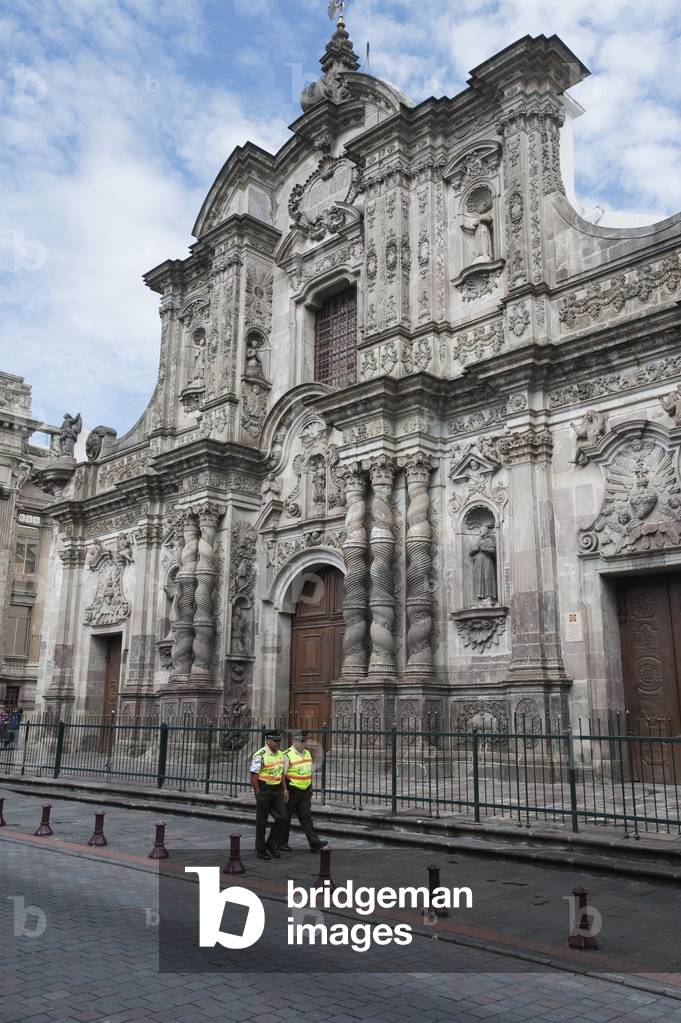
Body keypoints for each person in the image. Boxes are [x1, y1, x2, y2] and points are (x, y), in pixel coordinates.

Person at [279, 732, 328, 853]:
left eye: (305, 742)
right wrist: (285, 790)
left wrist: (310, 787)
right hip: (292, 790)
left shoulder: (307, 753)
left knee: (306, 817)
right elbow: (282, 775)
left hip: (305, 791)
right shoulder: (287, 755)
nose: (304, 745)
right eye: (301, 742)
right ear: (295, 742)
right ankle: (282, 843)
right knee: (286, 817)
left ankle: (314, 842)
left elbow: (308, 771)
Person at [249, 730, 288, 860]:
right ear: (268, 741)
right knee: (262, 822)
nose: (277, 743)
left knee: (282, 817)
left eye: (279, 741)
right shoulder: (260, 755)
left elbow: (282, 773)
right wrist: (258, 792)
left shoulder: (281, 755)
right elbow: (254, 775)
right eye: (275, 741)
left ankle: (271, 844)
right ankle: (261, 849)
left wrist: (284, 789)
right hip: (264, 791)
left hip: (277, 791)